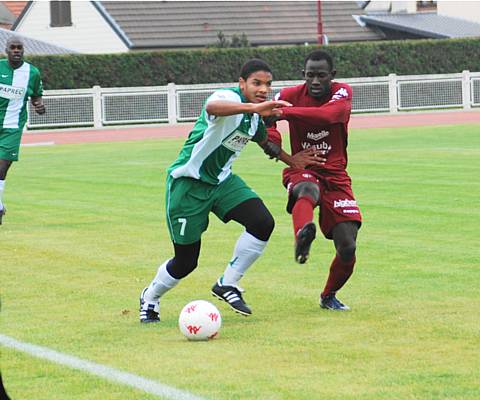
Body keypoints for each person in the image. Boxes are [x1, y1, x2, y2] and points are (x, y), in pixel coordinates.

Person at [139, 59, 295, 322]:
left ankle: (227, 283)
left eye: (267, 84)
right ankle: (150, 298)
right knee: (186, 261)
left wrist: (294, 161)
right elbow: (213, 107)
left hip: (222, 183)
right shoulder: (227, 97)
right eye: (256, 83)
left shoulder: (254, 120)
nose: (263, 89)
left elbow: (266, 144)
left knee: (262, 222)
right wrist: (256, 107)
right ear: (242, 83)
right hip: (188, 186)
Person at [267, 50, 362, 311]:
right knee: (306, 189)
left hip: (336, 174)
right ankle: (302, 234)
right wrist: (278, 148)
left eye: (321, 76)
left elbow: (329, 116)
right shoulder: (287, 95)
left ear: (333, 75)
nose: (316, 81)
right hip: (304, 167)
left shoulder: (342, 92)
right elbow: (264, 118)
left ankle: (328, 295)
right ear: (303, 76)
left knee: (347, 246)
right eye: (310, 76)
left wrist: (286, 114)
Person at [0, 37, 45, 225]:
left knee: (2, 168)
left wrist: (39, 105)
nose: (16, 51)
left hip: (12, 127)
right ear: (6, 50)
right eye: (13, 48)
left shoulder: (32, 72)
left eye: (19, 48)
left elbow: (36, 96)